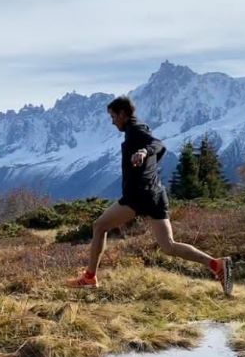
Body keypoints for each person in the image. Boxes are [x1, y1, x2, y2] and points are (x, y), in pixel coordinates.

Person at [65, 95, 233, 296]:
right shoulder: (134, 130)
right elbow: (159, 148)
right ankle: (216, 264)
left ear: (123, 114)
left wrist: (144, 152)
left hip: (138, 196)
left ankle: (90, 278)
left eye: (113, 116)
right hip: (155, 195)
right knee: (168, 246)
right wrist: (147, 162)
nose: (112, 121)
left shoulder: (136, 130)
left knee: (99, 226)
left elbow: (158, 144)